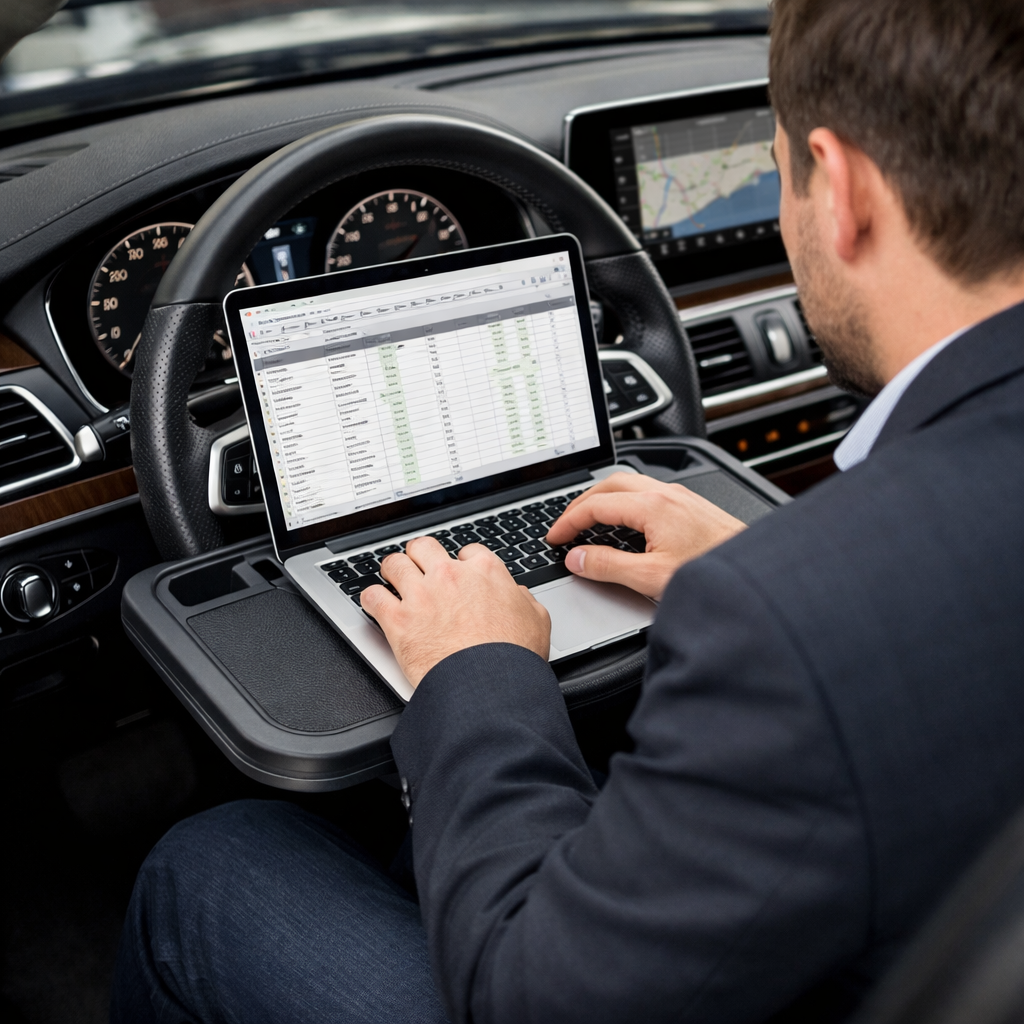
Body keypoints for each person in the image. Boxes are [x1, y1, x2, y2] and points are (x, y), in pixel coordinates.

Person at [111, 0, 1024, 1020]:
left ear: (841, 188)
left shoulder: (786, 634)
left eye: (779, 177)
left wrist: (476, 667)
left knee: (210, 862)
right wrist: (773, 563)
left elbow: (531, 997)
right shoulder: (837, 586)